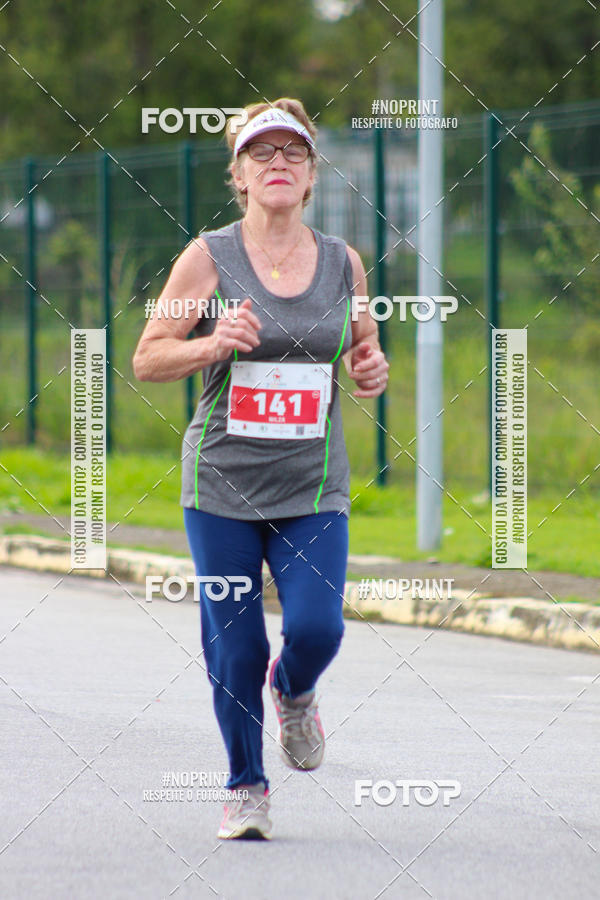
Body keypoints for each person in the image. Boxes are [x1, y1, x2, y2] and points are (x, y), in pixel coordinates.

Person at [133, 97, 389, 840]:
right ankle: (246, 786)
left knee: (317, 629)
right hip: (220, 487)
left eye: (294, 154)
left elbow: (361, 350)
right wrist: (213, 344)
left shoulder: (344, 261)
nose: (279, 164)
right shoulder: (208, 257)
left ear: (310, 179)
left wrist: (370, 368)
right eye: (262, 154)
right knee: (235, 644)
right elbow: (149, 357)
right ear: (239, 176)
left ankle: (296, 691)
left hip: (312, 487)